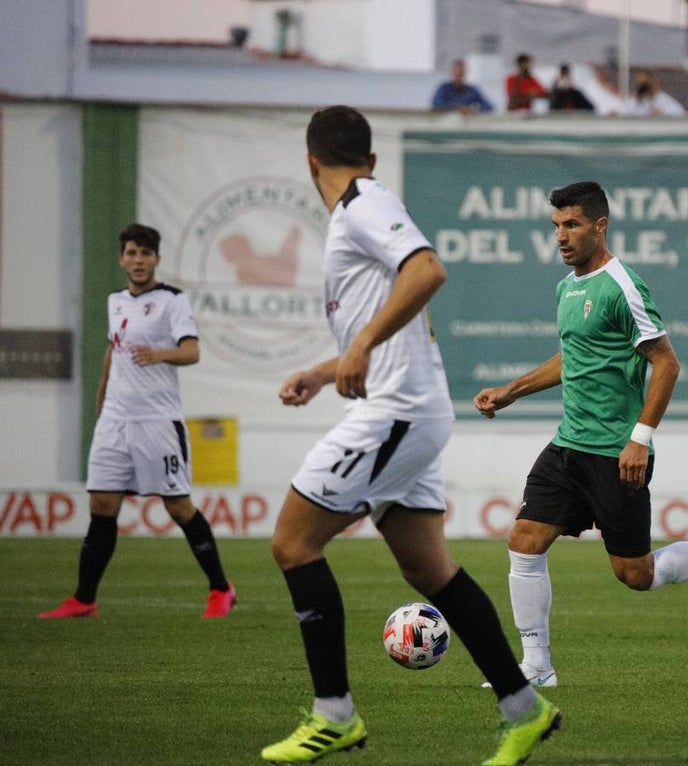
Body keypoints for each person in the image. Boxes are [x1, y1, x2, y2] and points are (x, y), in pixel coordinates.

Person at [259, 105, 559, 766]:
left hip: (396, 414)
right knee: (428, 568)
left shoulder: (363, 202)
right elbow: (392, 317)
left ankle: (333, 715)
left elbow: (427, 271)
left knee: (292, 543)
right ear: (369, 156)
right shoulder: (362, 208)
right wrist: (323, 370)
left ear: (312, 163)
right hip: (408, 412)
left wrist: (361, 343)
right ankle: (524, 708)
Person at [473, 181, 688, 688]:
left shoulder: (623, 286)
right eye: (555, 227)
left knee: (635, 575)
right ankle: (536, 667)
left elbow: (667, 363)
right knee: (524, 541)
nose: (561, 237)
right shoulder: (566, 287)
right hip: (568, 445)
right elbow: (575, 356)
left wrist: (639, 437)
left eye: (571, 225)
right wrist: (513, 391)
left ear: (600, 226)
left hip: (615, 453)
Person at [39, 223, 236, 620]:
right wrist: (101, 403)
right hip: (115, 419)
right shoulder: (116, 301)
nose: (139, 260)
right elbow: (113, 353)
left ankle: (220, 588)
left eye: (146, 254)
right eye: (132, 253)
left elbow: (192, 351)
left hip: (157, 420)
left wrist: (160, 354)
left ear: (156, 259)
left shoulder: (172, 301)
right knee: (102, 504)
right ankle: (84, 598)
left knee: (178, 507)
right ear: (121, 259)